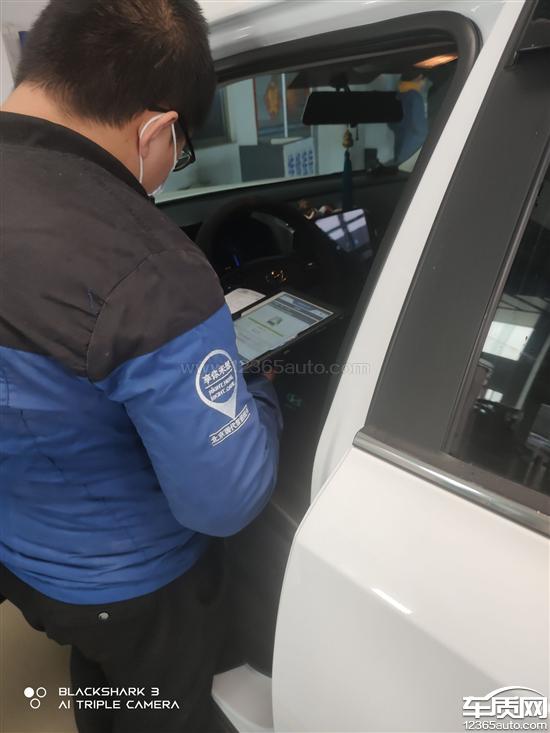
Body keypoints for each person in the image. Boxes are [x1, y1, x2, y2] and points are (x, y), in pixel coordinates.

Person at [0, 1, 282, 732]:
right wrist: (264, 397)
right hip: (135, 582)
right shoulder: (147, 265)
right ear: (157, 129)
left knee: (100, 674)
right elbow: (222, 502)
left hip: (23, 549)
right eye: (177, 151)